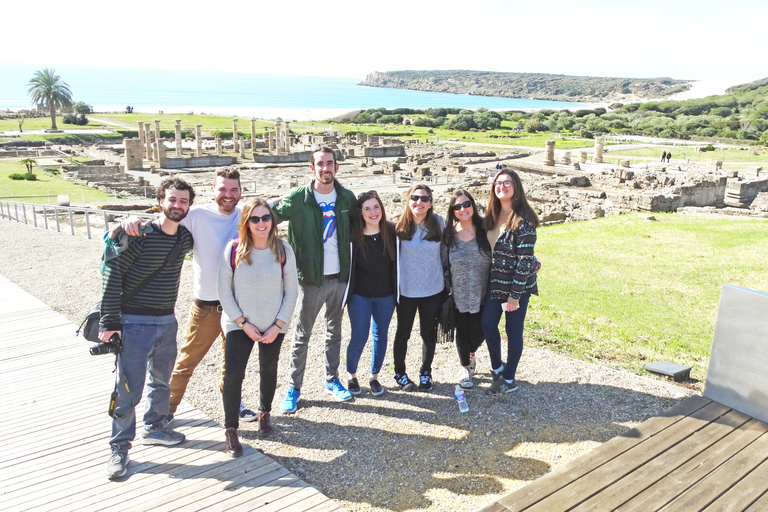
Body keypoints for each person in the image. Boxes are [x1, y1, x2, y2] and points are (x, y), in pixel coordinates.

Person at [121, 168, 259, 422]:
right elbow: (162, 221)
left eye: (233, 190)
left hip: (239, 306)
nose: (228, 195)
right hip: (208, 305)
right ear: (212, 190)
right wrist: (131, 221)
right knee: (185, 363)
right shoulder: (195, 214)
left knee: (234, 366)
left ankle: (233, 404)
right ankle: (164, 413)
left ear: (241, 192)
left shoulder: (246, 216)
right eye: (222, 189)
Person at [99, 178, 196, 479]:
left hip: (167, 320)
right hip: (133, 322)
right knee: (128, 389)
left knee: (161, 381)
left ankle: (154, 428)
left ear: (189, 205)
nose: (177, 205)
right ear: (160, 200)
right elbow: (111, 273)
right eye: (172, 200)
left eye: (183, 201)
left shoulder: (184, 239)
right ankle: (119, 448)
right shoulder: (138, 233)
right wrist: (108, 322)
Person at [273, 147, 357, 413]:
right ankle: (293, 388)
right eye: (320, 164)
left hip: (340, 278)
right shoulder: (299, 198)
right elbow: (266, 219)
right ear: (312, 167)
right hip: (310, 280)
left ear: (337, 167)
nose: (325, 168)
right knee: (302, 335)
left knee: (334, 332)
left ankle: (332, 380)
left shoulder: (346, 198)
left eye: (330, 163)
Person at [218, 198, 298, 455]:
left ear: (272, 221)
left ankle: (265, 413)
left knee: (268, 369)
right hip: (239, 324)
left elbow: (291, 291)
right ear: (246, 222)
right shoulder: (233, 249)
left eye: (266, 218)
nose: (261, 223)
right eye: (255, 219)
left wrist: (278, 324)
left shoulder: (283, 250)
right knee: (233, 375)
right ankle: (231, 430)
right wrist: (242, 322)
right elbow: (224, 291)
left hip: (273, 323)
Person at [481, 169, 539, 395]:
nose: (501, 187)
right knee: (487, 323)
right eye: (498, 183)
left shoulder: (524, 220)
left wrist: (514, 296)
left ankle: (509, 378)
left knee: (513, 331)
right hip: (495, 284)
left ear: (516, 186)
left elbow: (525, 262)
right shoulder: (491, 216)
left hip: (517, 288)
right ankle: (497, 367)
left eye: (507, 183)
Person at [343, 190, 397, 396]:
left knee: (380, 335)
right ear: (361, 212)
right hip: (360, 296)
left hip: (386, 296)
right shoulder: (353, 236)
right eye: (367, 208)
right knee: (359, 335)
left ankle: (374, 376)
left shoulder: (391, 231)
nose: (373, 212)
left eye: (376, 207)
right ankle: (352, 375)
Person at [392, 184, 445, 392]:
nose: (419, 203)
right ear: (408, 200)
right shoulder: (397, 225)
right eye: (415, 198)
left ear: (431, 203)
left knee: (428, 333)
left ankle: (426, 371)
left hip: (433, 289)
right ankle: (400, 372)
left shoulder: (439, 223)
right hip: (406, 290)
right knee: (402, 333)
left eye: (424, 199)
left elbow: (465, 235)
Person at [441, 189, 492, 390]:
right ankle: (465, 367)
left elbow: (505, 249)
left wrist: (531, 259)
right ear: (452, 211)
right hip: (459, 294)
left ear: (473, 205)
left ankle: (471, 355)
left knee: (483, 329)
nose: (463, 209)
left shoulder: (486, 230)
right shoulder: (448, 236)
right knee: (462, 331)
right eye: (457, 206)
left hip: (484, 293)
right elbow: (443, 262)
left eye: (466, 204)